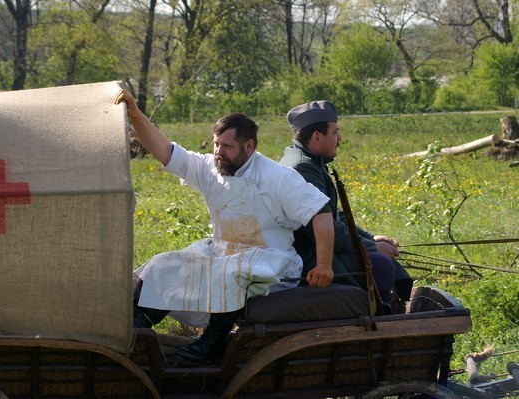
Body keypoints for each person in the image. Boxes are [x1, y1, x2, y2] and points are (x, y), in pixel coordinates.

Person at [114, 89, 336, 365]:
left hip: (271, 260)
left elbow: (321, 212)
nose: (218, 152)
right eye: (216, 144)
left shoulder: (278, 177)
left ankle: (212, 343)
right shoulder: (210, 168)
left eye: (226, 147)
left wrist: (324, 264)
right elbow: (164, 150)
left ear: (249, 147)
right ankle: (136, 329)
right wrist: (135, 115)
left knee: (232, 273)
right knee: (162, 264)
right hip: (223, 251)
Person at [279, 100, 413, 307]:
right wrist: (371, 248)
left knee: (384, 261)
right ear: (316, 137)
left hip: (318, 247)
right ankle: (379, 320)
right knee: (383, 266)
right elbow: (321, 228)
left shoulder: (308, 160)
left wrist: (369, 237)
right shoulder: (303, 168)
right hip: (307, 255)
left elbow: (332, 215)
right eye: (335, 132)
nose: (339, 138)